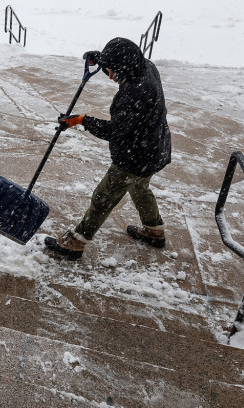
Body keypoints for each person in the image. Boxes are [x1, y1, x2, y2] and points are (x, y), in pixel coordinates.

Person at [44, 37, 172, 261]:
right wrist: (102, 60)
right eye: (109, 70)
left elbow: (115, 131)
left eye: (113, 71)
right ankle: (154, 230)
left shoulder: (134, 93)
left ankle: (76, 242)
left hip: (135, 156)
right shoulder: (145, 67)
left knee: (104, 196)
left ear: (124, 68)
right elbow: (123, 66)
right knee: (140, 187)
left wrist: (82, 120)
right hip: (154, 148)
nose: (111, 76)